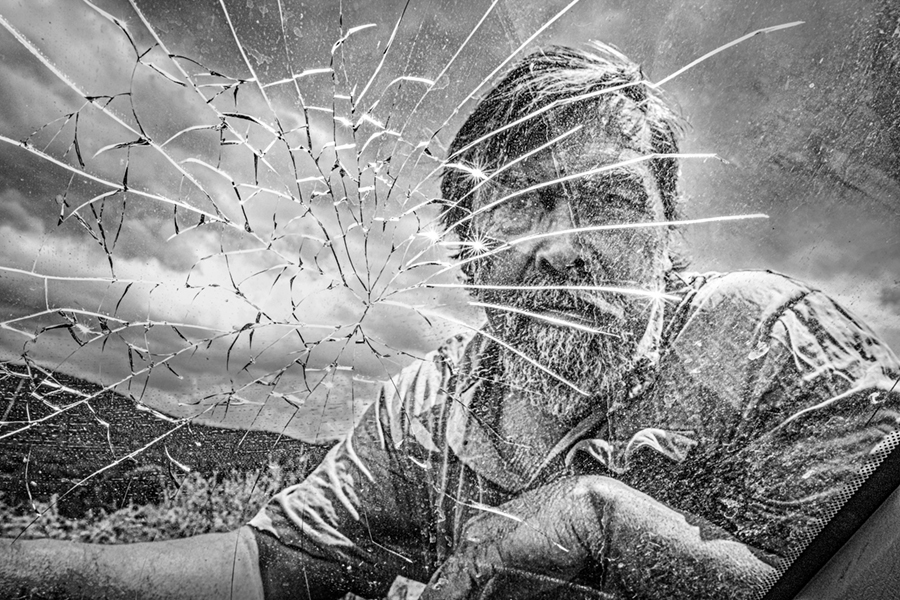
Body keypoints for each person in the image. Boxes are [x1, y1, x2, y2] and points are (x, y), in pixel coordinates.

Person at [2, 44, 899, 600]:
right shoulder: (427, 410)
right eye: (526, 203)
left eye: (610, 203)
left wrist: (609, 526)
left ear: (667, 237)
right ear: (468, 245)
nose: (565, 246)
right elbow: (265, 569)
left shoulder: (763, 341)